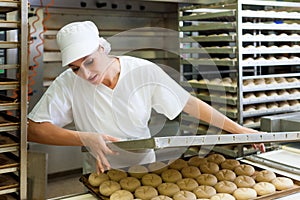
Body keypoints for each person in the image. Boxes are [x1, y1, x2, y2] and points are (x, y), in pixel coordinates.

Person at [27, 21, 264, 174]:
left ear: (102, 48)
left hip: (146, 167)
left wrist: (238, 130)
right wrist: (84, 138)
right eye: (75, 68)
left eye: (89, 61)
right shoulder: (68, 83)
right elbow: (34, 129)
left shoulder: (141, 71)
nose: (86, 74)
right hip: (101, 171)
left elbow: (188, 103)